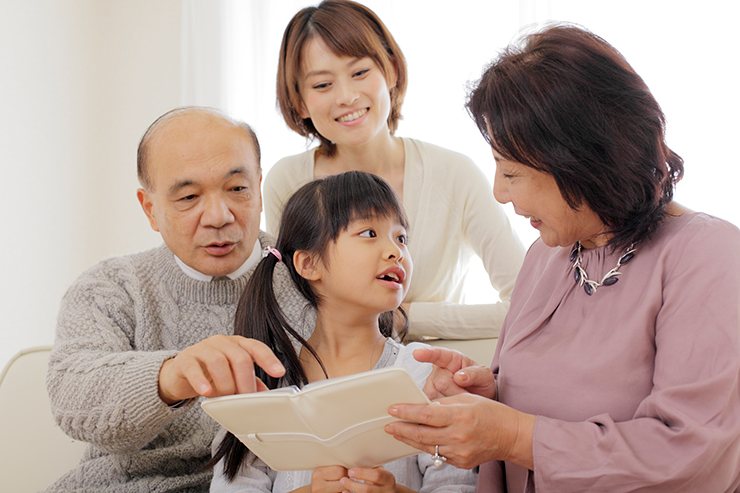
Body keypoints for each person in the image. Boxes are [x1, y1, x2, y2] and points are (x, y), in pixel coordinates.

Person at [384, 24, 740, 492]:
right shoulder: (546, 257)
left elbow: (692, 455)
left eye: (511, 171)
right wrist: (488, 396)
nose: (499, 192)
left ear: (582, 164)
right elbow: (546, 404)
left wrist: (513, 434)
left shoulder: (708, 256)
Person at [45, 107, 314, 492]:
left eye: (237, 189)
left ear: (258, 184)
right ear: (150, 209)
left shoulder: (313, 272)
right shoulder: (110, 287)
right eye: (189, 196)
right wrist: (172, 375)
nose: (219, 216)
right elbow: (72, 398)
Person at [264, 0, 525, 340]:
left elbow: (527, 302)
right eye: (322, 85)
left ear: (391, 70)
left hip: (436, 375)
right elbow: (289, 307)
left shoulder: (453, 173)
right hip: (332, 379)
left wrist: (408, 319)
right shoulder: (287, 181)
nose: (346, 96)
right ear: (299, 101)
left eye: (359, 73)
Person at [210, 171, 477, 492]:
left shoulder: (425, 374)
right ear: (309, 264)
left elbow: (457, 483)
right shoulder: (264, 382)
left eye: (401, 237)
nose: (395, 251)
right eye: (369, 233)